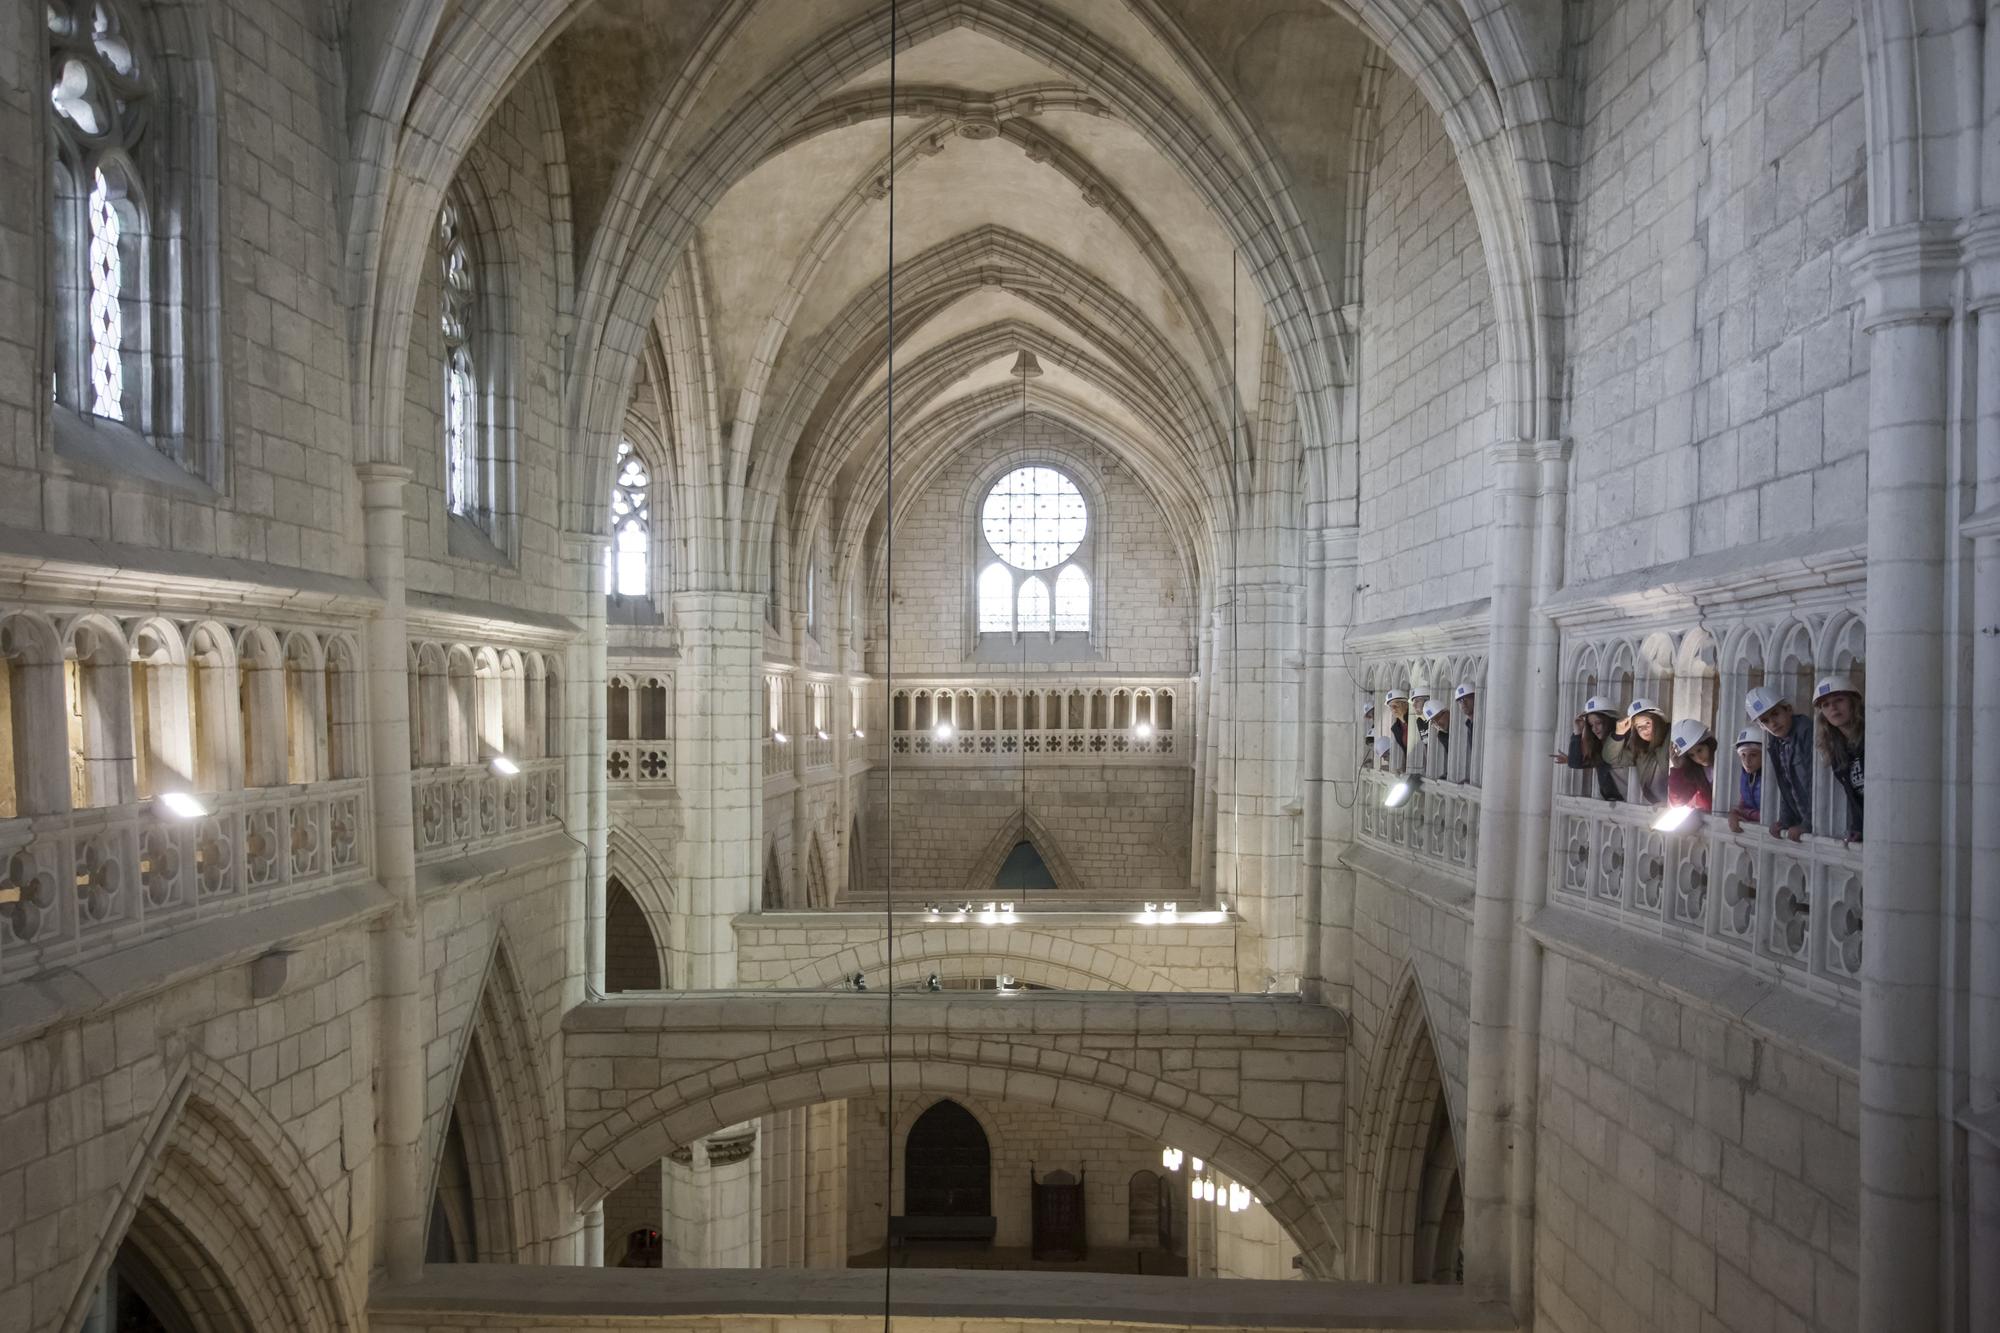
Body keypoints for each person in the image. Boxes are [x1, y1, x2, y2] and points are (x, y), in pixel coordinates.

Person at [1745, 685, 1813, 840]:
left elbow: (1815, 782)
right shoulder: (1775, 742)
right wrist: (1785, 820)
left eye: (1775, 714)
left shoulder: (1806, 731)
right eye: (1765, 721)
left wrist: (1808, 823)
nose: (1773, 724)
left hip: (1818, 822)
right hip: (1800, 820)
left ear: (1788, 709)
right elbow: (1786, 784)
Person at [1813, 674, 1864, 844]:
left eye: (1839, 700)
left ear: (1853, 702)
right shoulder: (1836, 748)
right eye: (1825, 705)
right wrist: (1858, 828)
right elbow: (1853, 795)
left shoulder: (1872, 736)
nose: (1833, 708)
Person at [1552, 696, 1626, 801]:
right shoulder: (1600, 747)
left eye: (1598, 723)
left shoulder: (1623, 743)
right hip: (1613, 804)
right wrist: (1577, 731)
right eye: (1591, 725)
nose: (1594, 729)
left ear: (1609, 721)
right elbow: (1575, 763)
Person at [1622, 698, 1673, 805]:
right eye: (1639, 727)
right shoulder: (1640, 749)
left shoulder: (1671, 735)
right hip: (1657, 805)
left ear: (1657, 721)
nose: (1644, 730)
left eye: (1648, 723)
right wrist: (1618, 735)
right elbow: (1611, 757)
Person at [1666, 718, 1716, 811]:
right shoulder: (1696, 771)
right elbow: (1678, 802)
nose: (1698, 758)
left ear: (1709, 744)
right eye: (1692, 755)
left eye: (1699, 750)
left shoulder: (1727, 763)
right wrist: (1678, 769)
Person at [1726, 729, 1763, 833]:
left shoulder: (1772, 778)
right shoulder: (1746, 775)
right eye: (1743, 755)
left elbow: (1771, 815)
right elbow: (1743, 802)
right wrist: (1734, 813)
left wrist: (1744, 813)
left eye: (1753, 755)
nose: (1747, 761)